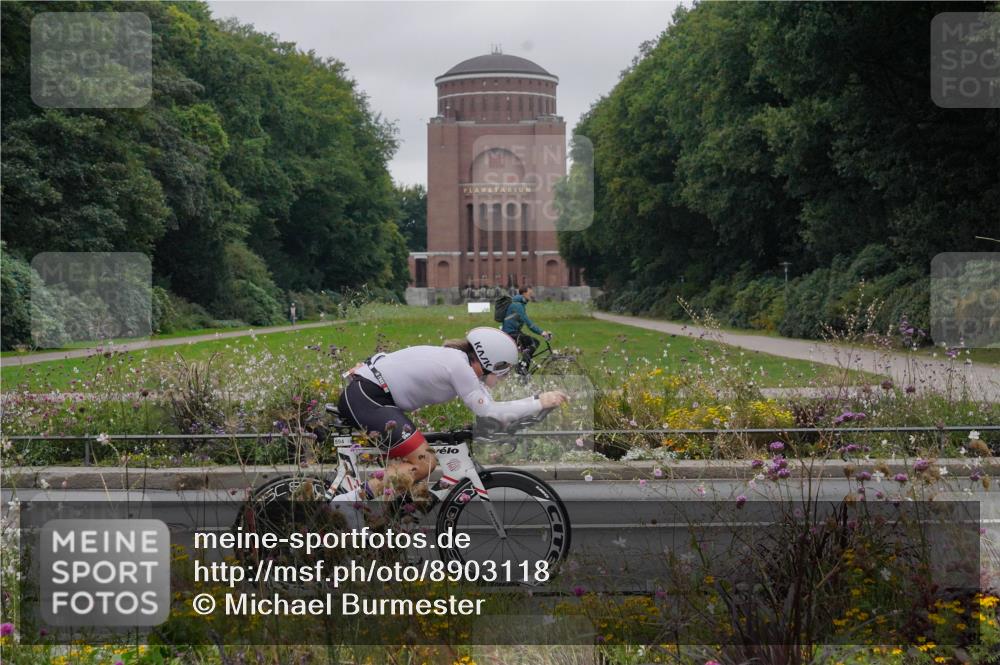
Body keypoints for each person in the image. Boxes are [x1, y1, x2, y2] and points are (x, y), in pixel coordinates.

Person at [329, 327, 568, 524]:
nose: (506, 377)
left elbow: (497, 411)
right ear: (491, 363)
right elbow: (489, 411)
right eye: (505, 371)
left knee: (415, 476)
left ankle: (381, 527)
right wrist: (539, 402)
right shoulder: (459, 366)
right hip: (369, 399)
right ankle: (350, 503)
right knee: (425, 462)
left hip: (374, 398)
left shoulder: (460, 363)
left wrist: (536, 405)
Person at [500, 286, 551, 369]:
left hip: (513, 332)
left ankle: (524, 374)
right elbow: (528, 323)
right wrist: (542, 332)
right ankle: (521, 369)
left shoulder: (518, 303)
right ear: (524, 293)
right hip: (511, 334)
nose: (531, 294)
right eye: (530, 293)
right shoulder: (517, 305)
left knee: (527, 351)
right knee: (534, 342)